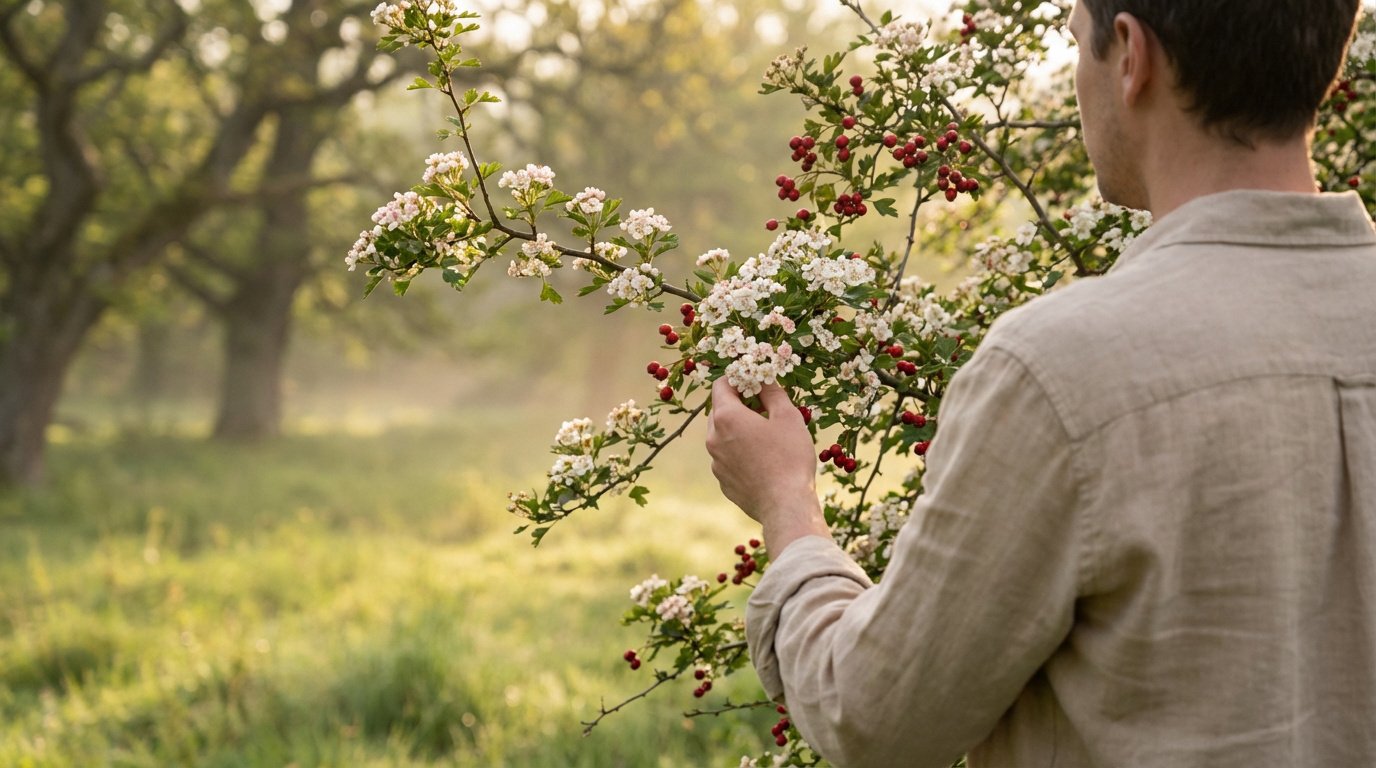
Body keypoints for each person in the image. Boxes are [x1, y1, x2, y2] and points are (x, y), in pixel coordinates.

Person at [705, 1, 1376, 766]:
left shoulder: (1063, 371)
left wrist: (787, 504)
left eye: (1073, 47)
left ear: (1130, 55)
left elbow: (876, 716)